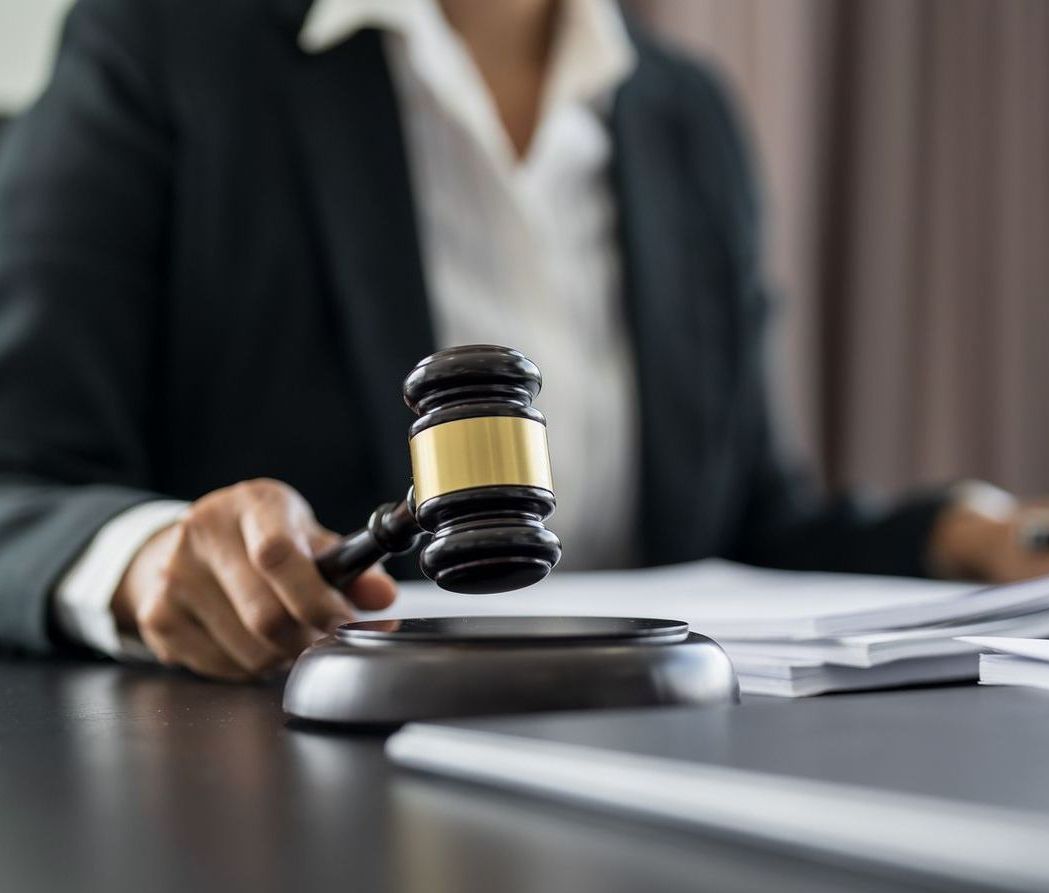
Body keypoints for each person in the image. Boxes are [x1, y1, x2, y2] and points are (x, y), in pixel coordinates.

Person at [0, 0, 1045, 681]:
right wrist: (146, 559)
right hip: (293, 794)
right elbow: (21, 479)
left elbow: (749, 519)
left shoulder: (683, 115)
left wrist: (965, 533)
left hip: (659, 766)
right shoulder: (160, 46)